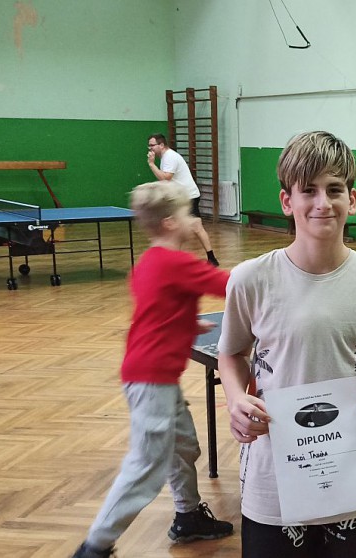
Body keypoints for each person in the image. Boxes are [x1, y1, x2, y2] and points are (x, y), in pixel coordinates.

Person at [218, 130, 356, 557]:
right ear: (287, 202)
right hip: (273, 471)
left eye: (334, 190)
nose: (323, 202)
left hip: (351, 470)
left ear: (351, 199)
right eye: (308, 191)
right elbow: (231, 353)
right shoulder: (250, 279)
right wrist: (235, 399)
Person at [71, 180, 234, 558]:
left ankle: (188, 517)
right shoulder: (177, 263)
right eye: (187, 214)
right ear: (170, 223)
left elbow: (154, 310)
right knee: (146, 466)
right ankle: (95, 546)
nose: (193, 220)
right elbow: (231, 285)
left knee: (183, 446)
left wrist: (186, 323)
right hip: (151, 380)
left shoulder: (148, 262)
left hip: (151, 375)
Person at [147, 133, 218, 266]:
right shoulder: (165, 157)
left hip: (188, 198)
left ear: (161, 145)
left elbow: (166, 178)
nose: (150, 148)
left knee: (191, 228)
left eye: (152, 145)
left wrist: (152, 165)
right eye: (149, 145)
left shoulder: (170, 157)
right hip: (182, 197)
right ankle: (209, 258)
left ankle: (210, 259)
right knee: (188, 228)